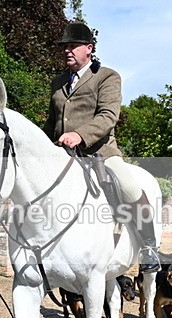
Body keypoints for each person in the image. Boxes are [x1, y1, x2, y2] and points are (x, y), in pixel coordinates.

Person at [44, 22, 160, 272]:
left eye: (73, 45)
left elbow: (108, 116)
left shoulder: (107, 76)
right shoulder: (58, 81)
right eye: (65, 46)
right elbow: (50, 122)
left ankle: (149, 247)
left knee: (129, 187)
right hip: (62, 155)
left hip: (100, 153)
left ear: (89, 48)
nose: (67, 50)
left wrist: (79, 135)